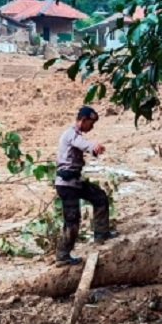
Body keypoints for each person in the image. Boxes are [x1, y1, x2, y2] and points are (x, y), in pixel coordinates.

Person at [54, 106, 119, 266]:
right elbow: (81, 143)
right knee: (72, 221)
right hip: (67, 185)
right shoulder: (71, 134)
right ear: (83, 121)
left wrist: (93, 150)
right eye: (91, 123)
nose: (92, 126)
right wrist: (92, 146)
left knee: (99, 197)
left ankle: (101, 233)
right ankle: (62, 256)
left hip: (73, 182)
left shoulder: (75, 134)